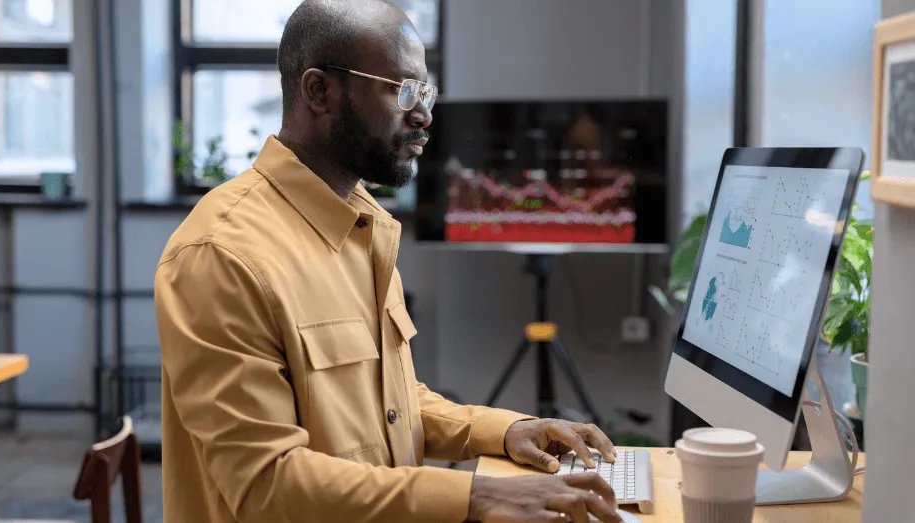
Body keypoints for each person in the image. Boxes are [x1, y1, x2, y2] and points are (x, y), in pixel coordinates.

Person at [154, 1, 622, 522]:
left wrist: (503, 431)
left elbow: (386, 405)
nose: (422, 114)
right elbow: (266, 483)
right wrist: (478, 496)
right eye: (400, 89)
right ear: (319, 91)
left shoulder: (362, 224)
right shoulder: (222, 255)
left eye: (424, 91)